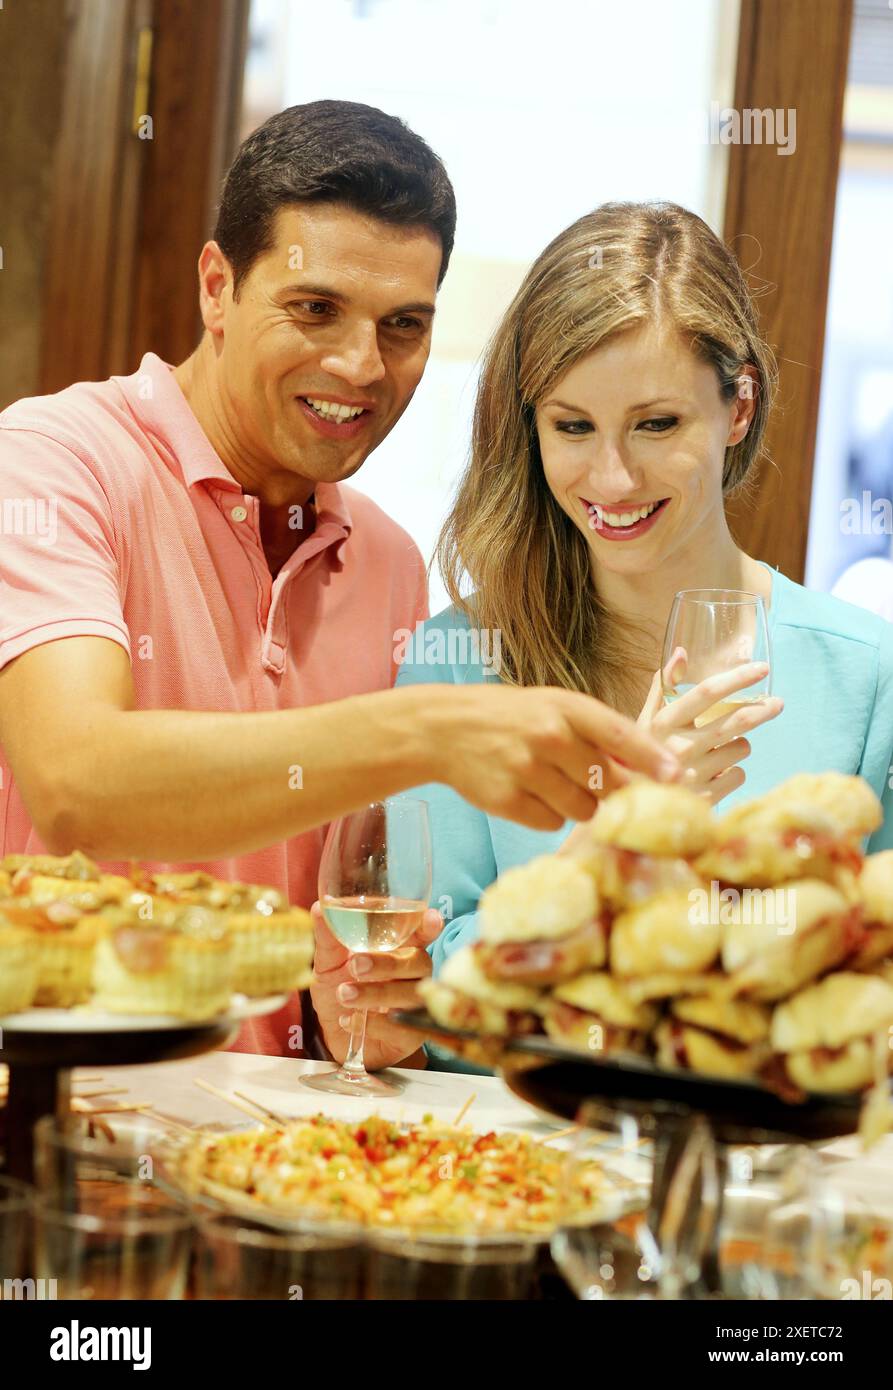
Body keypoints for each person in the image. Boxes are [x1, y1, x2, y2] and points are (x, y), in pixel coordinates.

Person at [0, 105, 678, 1065]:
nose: (361, 366)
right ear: (216, 287)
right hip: (56, 1120)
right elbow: (74, 782)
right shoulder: (51, 465)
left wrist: (363, 1009)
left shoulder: (392, 561)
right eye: (314, 309)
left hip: (278, 1153)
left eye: (402, 326)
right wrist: (429, 733)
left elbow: (347, 959)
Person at [393, 200, 893, 1000]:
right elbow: (424, 980)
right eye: (573, 427)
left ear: (739, 408)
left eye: (656, 424)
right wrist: (615, 843)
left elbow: (872, 968)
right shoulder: (455, 663)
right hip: (508, 1122)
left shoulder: (865, 675)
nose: (613, 479)